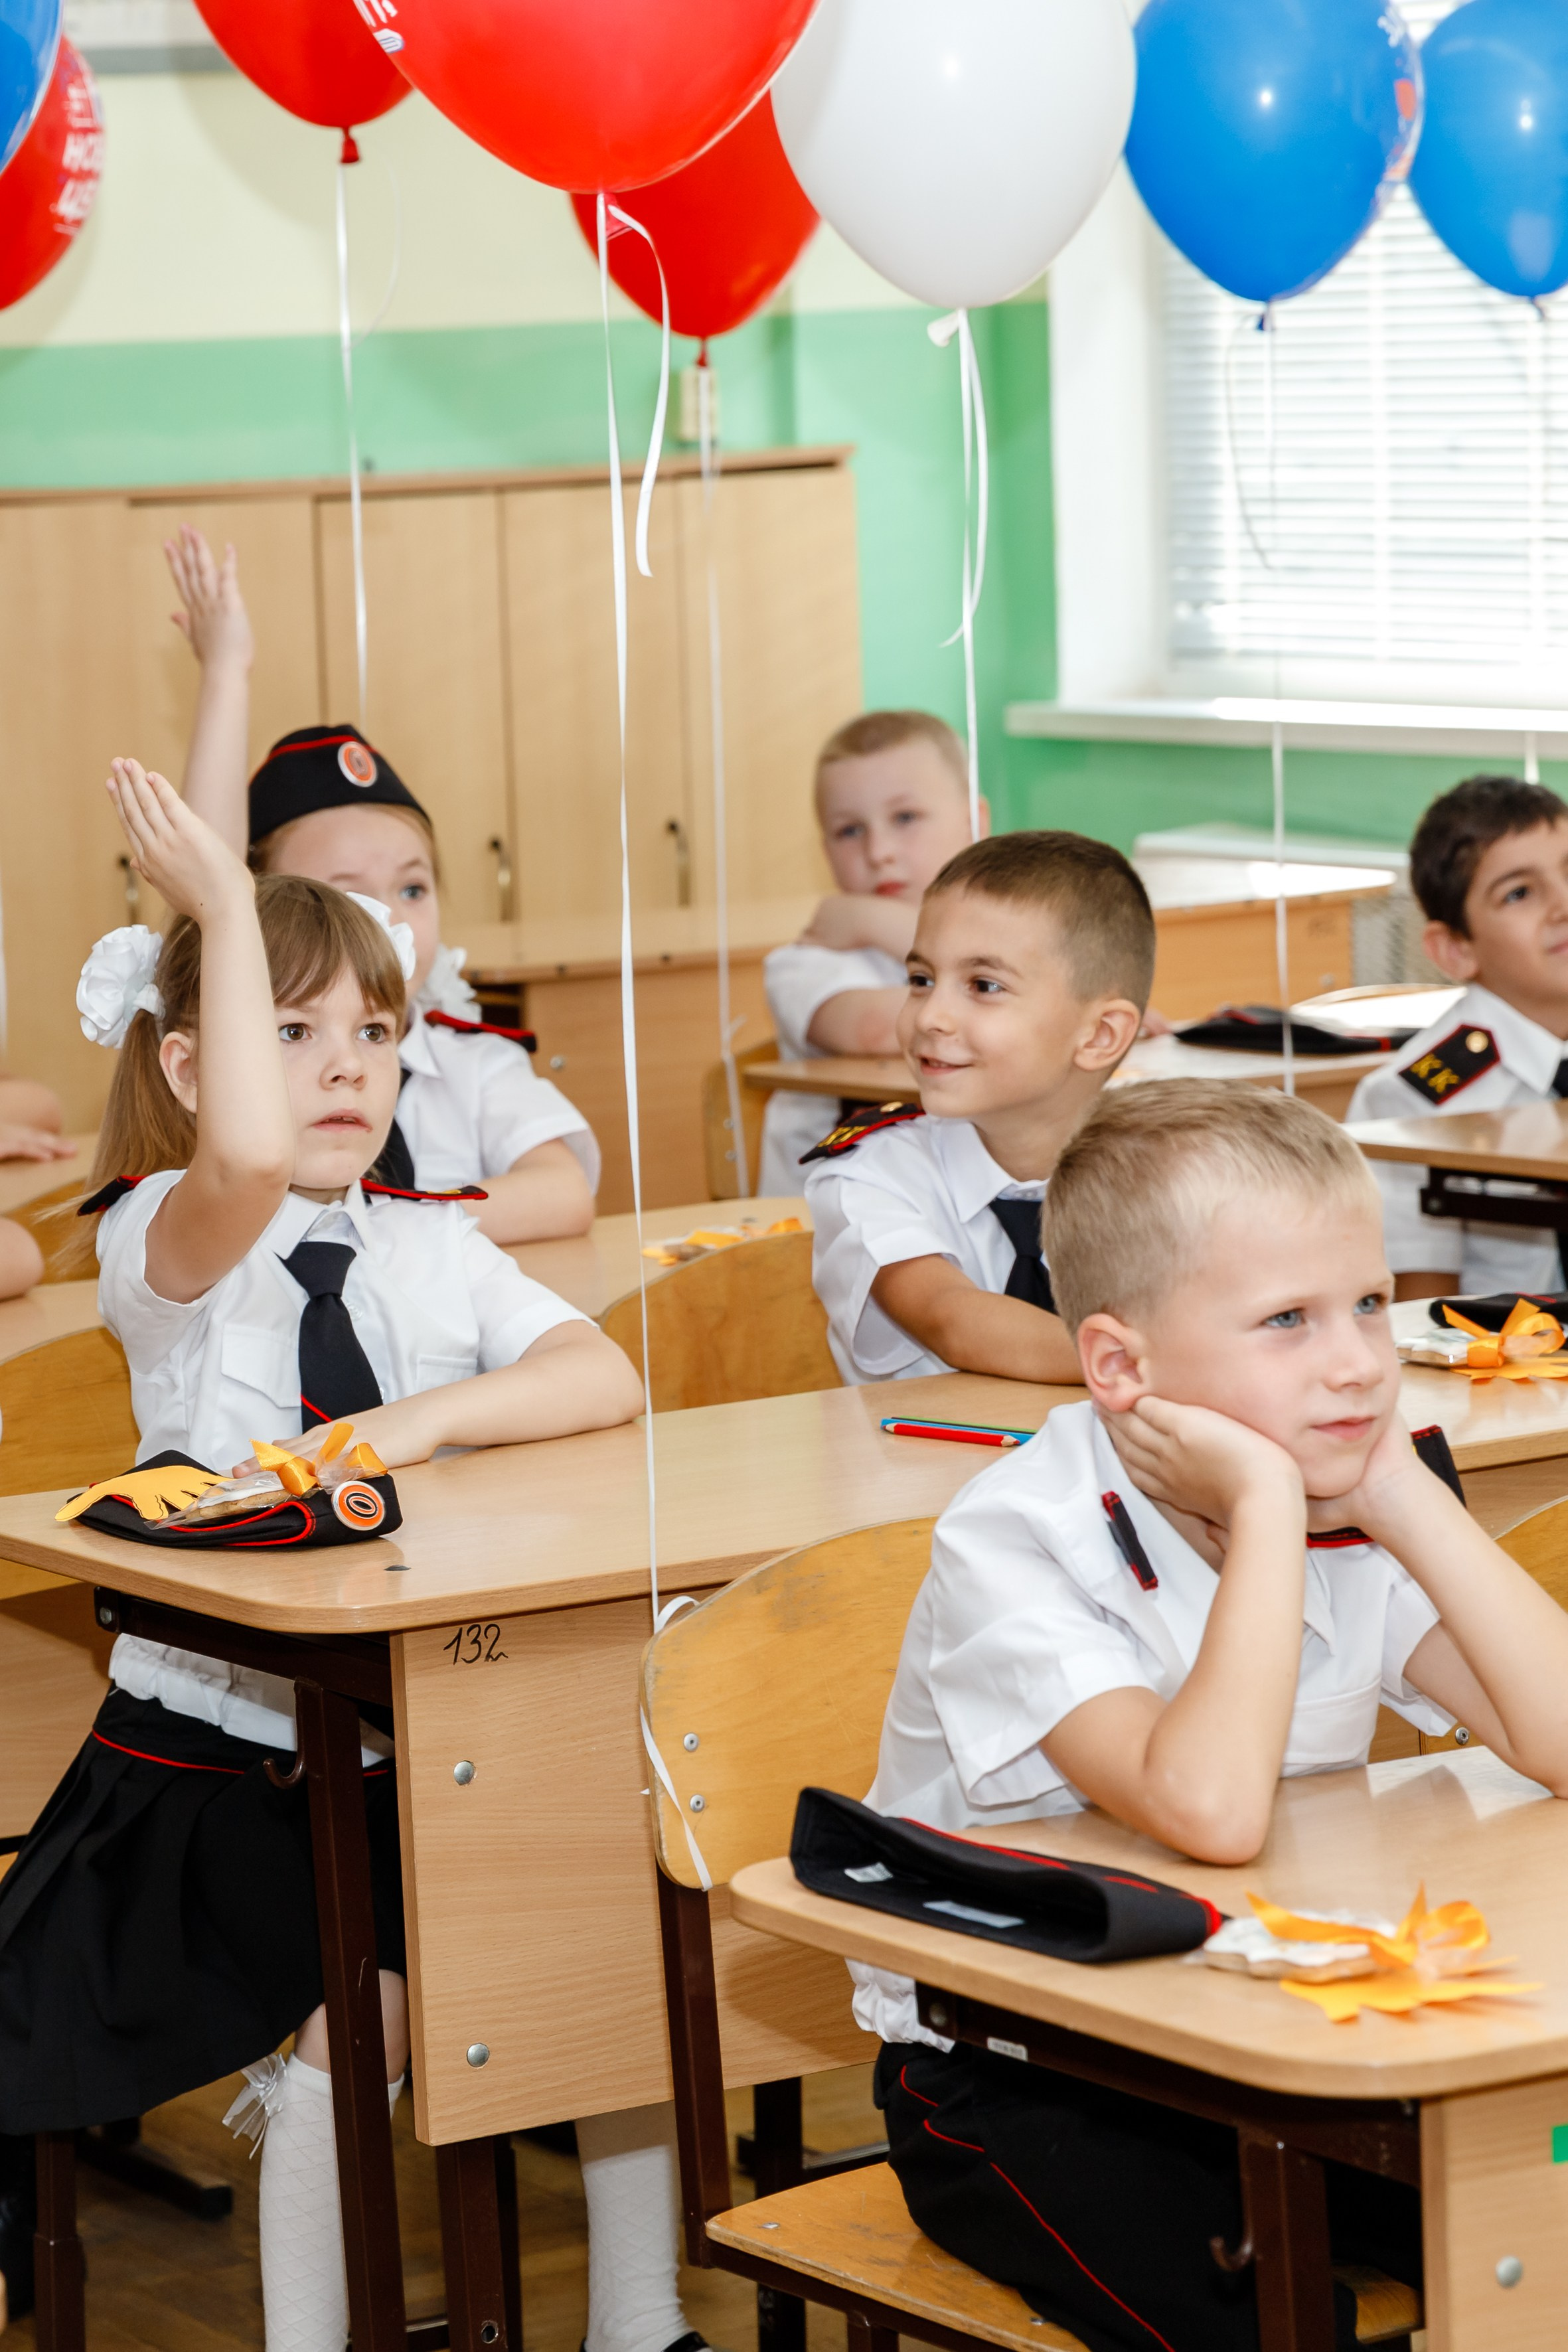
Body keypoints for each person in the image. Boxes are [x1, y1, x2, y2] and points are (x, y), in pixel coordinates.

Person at [0, 761, 644, 2351]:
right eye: (288, 1032)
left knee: (593, 1919)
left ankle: (638, 2318)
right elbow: (236, 1163)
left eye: (371, 1029)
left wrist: (412, 1425)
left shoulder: (433, 1238)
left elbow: (600, 1375)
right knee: (357, 2014)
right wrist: (223, 911)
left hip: (402, 1739)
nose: (346, 1065)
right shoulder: (165, 1234)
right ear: (191, 1061)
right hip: (215, 1766)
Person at [855, 1081, 1568, 2352]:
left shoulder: (1350, 1481)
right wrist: (1266, 1509)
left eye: (1368, 1302)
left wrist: (1401, 1491)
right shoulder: (1015, 1536)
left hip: (1285, 2030)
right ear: (1120, 1367)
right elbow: (1211, 1810)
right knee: (1276, 2327)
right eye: (1286, 1319)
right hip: (1022, 2063)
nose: (1356, 1361)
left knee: (1537, 2225)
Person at [163, 525, 598, 1247]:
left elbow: (563, 1192)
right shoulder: (239, 1067)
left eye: (413, 889)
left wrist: (380, 1229)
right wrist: (225, 673)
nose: (390, 919)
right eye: (346, 895)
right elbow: (205, 890)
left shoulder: (469, 1060)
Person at [805, 830, 1152, 1384]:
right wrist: (1168, 1366)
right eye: (921, 980)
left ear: (1100, 1035)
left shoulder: (1168, 1172)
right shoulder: (872, 1176)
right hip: (926, 1446)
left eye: (984, 986)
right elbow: (953, 1320)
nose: (930, 1016)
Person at [1348, 771, 1568, 1299]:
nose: (1563, 905)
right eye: (1519, 893)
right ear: (1455, 950)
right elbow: (1421, 1311)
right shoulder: (1410, 1102)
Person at [757, 710, 982, 1195]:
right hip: (821, 1219)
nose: (879, 851)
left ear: (974, 822)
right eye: (850, 831)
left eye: (905, 818)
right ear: (825, 851)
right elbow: (879, 1029)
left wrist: (877, 921)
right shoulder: (804, 962)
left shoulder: (1003, 941)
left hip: (939, 1202)